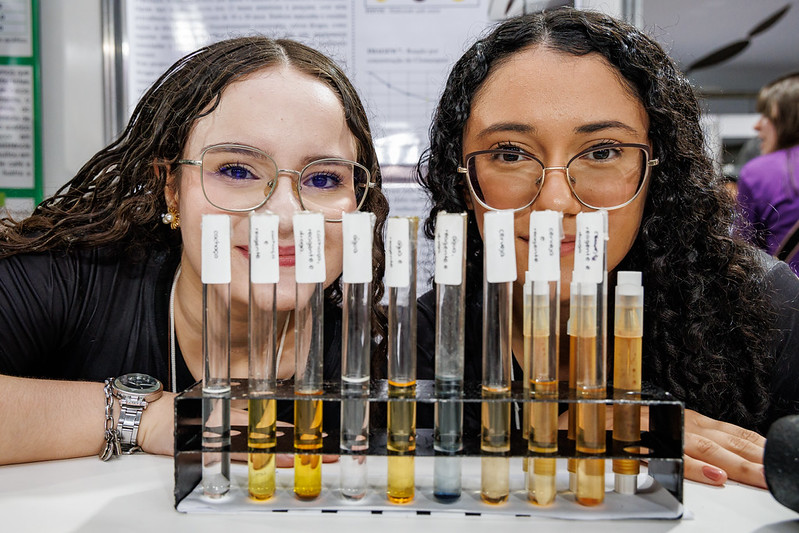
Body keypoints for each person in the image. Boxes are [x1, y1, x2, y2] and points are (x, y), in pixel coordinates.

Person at [415, 8, 799, 489]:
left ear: (658, 170)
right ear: (463, 180)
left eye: (602, 152)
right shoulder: (424, 339)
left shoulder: (764, 309)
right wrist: (554, 441)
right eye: (510, 154)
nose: (556, 200)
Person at [0, 37, 388, 465]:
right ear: (171, 188)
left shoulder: (383, 349)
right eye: (237, 171)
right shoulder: (71, 283)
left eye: (323, 179)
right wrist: (145, 417)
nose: (284, 216)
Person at [738, 72, 799, 275]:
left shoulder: (758, 173)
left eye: (766, 115)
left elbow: (743, 259)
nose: (757, 126)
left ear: (787, 118)